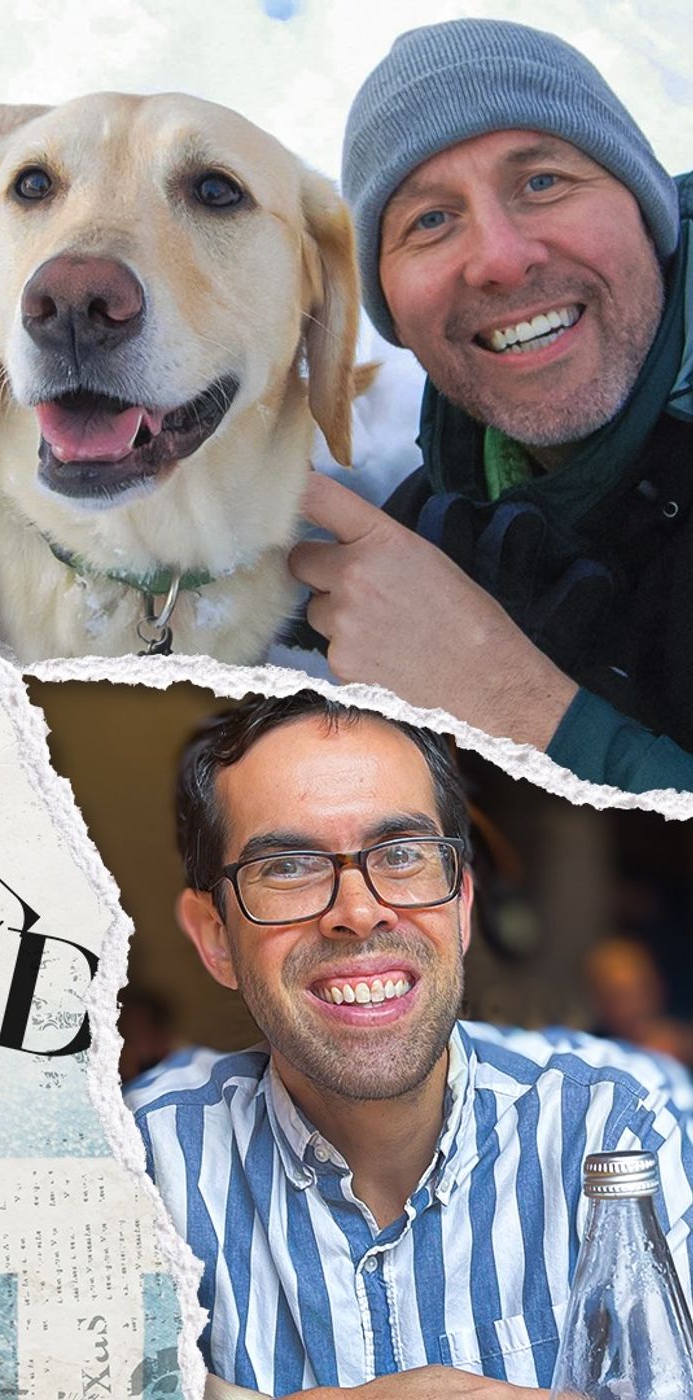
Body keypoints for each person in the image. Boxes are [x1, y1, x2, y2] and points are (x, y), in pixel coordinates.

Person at [126, 692, 693, 1396]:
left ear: (460, 905)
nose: (359, 913)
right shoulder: (136, 1169)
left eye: (401, 855)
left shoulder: (621, 1134)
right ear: (216, 937)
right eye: (290, 867)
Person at [287, 19, 693, 795]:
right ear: (393, 316)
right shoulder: (449, 513)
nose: (503, 259)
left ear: (647, 212)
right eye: (429, 221)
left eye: (542, 182)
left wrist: (522, 709)